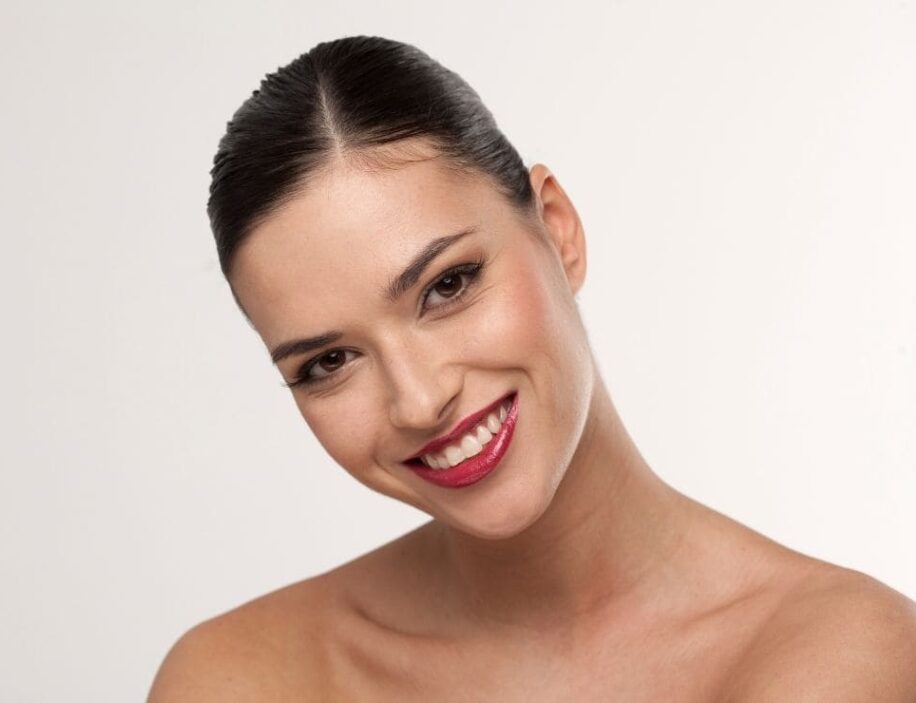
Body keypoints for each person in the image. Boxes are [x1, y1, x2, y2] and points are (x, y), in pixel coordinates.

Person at [150, 35, 916, 701]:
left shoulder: (839, 655)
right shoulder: (235, 679)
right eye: (329, 361)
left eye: (446, 285)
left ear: (558, 228)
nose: (419, 400)